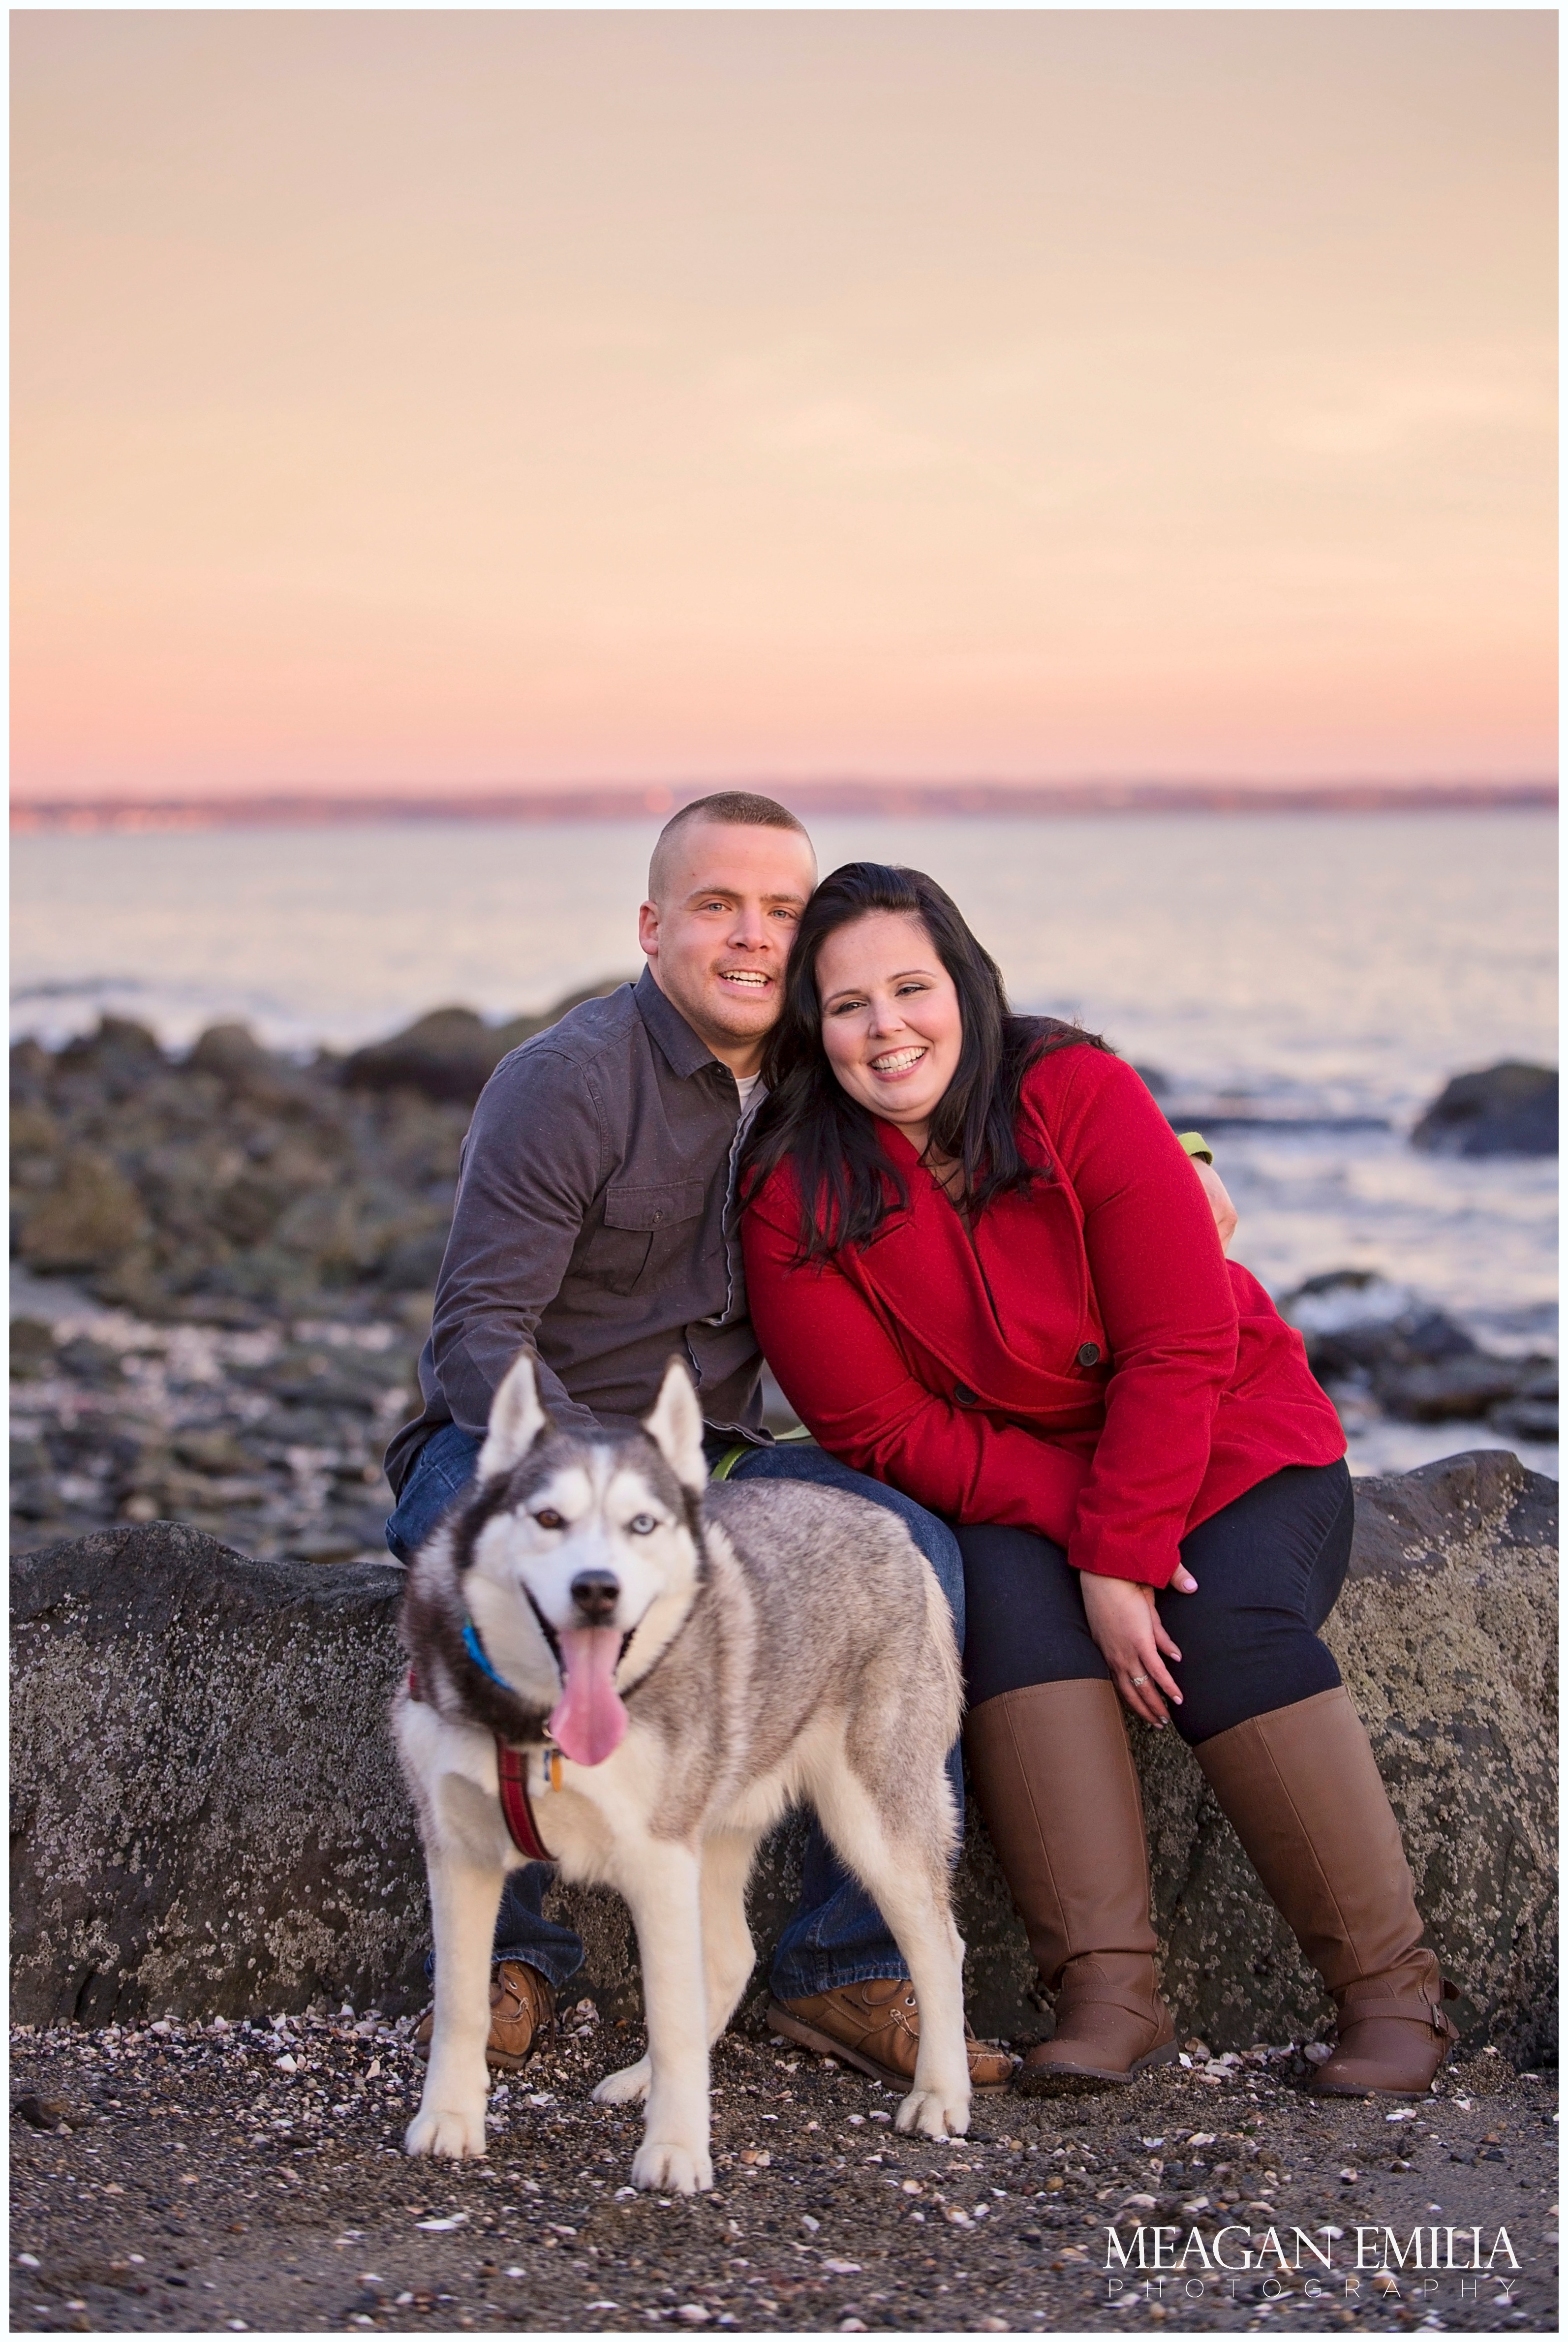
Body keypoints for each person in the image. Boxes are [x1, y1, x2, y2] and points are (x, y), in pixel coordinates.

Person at [739, 861, 1459, 2099]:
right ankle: (1110, 1995)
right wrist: (1095, 1538)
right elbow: (885, 1427)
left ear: (963, 982)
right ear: (813, 1027)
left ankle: (1393, 1996)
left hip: (1231, 1437)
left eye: (911, 987)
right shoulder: (793, 1190)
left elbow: (1181, 1342)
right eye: (847, 1004)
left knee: (1220, 1618)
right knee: (1002, 1607)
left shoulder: (1075, 1089)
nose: (885, 1027)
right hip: (1018, 1478)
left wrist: (1130, 1555)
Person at [384, 793, 1026, 2090]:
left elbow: (998, 1063)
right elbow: (476, 1338)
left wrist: (1180, 1146)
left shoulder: (826, 1068)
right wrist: (595, 1490)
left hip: (720, 1464)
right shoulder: (562, 1085)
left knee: (913, 1554)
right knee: (461, 1574)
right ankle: (512, 1954)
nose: (751, 939)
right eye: (717, 906)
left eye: (782, 912)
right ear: (651, 925)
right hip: (518, 1451)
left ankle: (842, 1973)